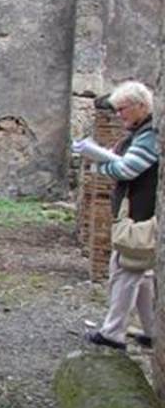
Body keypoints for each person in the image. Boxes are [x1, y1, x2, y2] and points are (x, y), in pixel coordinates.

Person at [79, 80, 158, 350]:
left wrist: (100, 168)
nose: (119, 115)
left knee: (124, 270)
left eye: (123, 109)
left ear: (141, 106)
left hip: (140, 214)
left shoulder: (150, 136)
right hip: (138, 213)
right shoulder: (139, 133)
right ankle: (154, 331)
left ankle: (113, 333)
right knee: (141, 275)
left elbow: (127, 170)